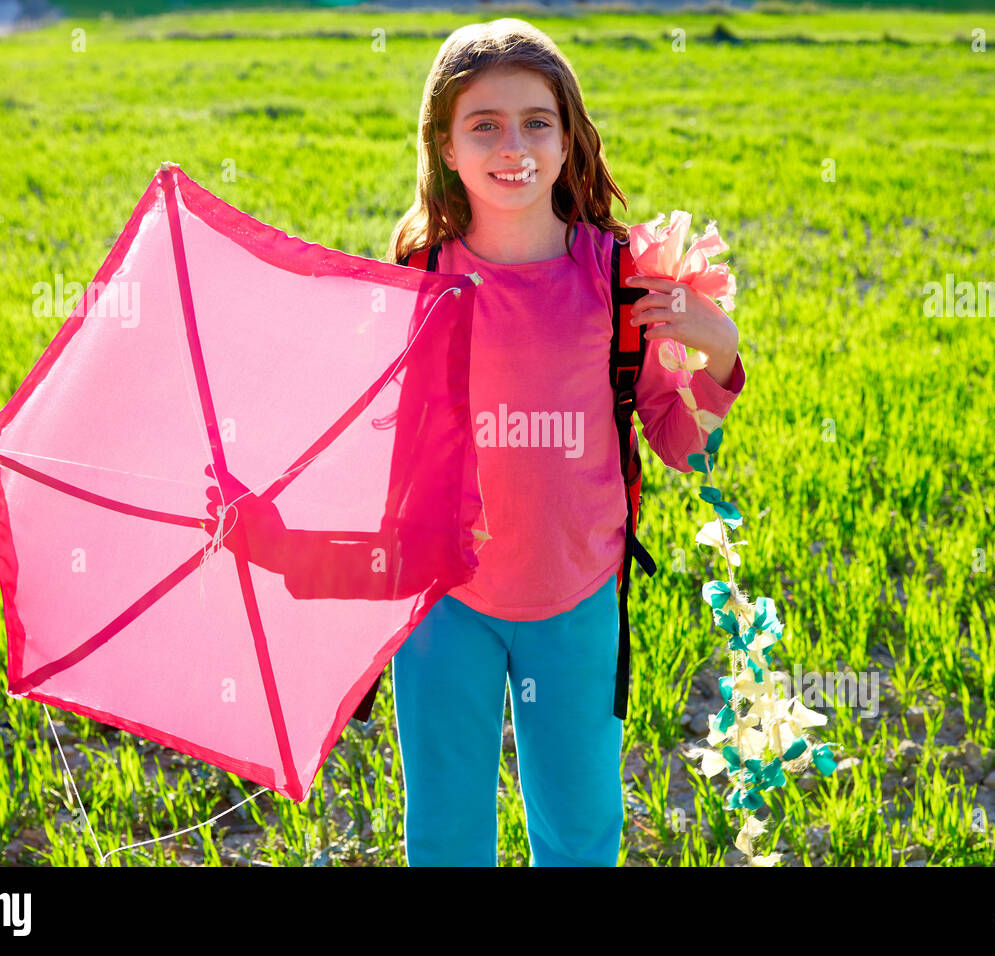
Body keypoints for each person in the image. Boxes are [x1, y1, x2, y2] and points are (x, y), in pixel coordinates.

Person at [206, 18, 747, 866]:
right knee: (447, 837)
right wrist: (278, 541)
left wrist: (718, 351)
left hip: (576, 603)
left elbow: (682, 443)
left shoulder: (617, 277)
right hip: (443, 608)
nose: (513, 143)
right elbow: (363, 457)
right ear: (445, 146)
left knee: (578, 835)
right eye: (483, 124)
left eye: (537, 120)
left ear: (570, 139)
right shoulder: (418, 283)